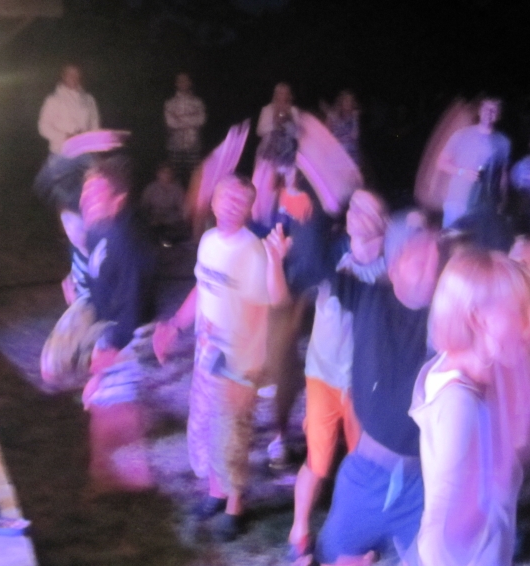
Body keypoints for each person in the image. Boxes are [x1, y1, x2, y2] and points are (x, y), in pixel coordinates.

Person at [153, 175, 291, 541]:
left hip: (237, 363)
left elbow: (271, 304)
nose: (231, 205)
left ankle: (235, 508)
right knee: (206, 426)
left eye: (241, 201)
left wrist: (244, 361)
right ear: (214, 202)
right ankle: (216, 493)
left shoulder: (252, 251)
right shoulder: (210, 241)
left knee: (232, 435)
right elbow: (202, 288)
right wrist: (175, 326)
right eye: (226, 197)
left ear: (249, 210)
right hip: (207, 355)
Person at [405, 248, 530, 566]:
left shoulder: (469, 369)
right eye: (522, 310)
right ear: (478, 319)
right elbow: (438, 531)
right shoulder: (459, 404)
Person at [314, 216, 437, 566]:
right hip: (366, 478)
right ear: (394, 267)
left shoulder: (444, 318)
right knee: (334, 558)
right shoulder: (369, 299)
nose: (431, 271)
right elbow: (314, 262)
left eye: (436, 261)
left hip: (423, 486)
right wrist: (325, 208)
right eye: (420, 260)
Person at [286, 189, 388, 560]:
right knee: (318, 460)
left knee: (364, 465)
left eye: (366, 207)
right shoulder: (333, 256)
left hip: (365, 384)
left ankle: (360, 537)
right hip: (323, 377)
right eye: (353, 205)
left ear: (383, 223)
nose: (354, 211)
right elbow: (303, 263)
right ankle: (299, 531)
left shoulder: (390, 272)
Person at [73, 155, 157, 493]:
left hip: (127, 336)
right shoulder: (99, 231)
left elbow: (132, 302)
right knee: (101, 402)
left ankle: (127, 482)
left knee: (114, 404)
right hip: (107, 332)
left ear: (118, 200)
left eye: (96, 194)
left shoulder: (127, 242)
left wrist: (110, 349)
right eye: (85, 192)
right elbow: (99, 280)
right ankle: (112, 478)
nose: (86, 200)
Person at [436, 96, 511, 242]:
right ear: (480, 111)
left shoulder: (502, 141)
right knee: (451, 242)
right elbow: (441, 162)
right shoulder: (462, 135)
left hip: (484, 206)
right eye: (486, 108)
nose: (489, 113)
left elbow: (503, 174)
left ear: (499, 115)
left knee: (475, 246)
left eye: (494, 109)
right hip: (458, 200)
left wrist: (502, 200)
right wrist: (462, 172)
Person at [38, 64, 100, 156]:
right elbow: (43, 127)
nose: (73, 77)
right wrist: (65, 137)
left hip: (85, 152)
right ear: (63, 76)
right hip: (60, 152)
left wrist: (94, 147)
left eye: (76, 74)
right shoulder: (53, 99)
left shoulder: (89, 99)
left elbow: (95, 125)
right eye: (69, 74)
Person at [164, 72, 207, 181]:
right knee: (173, 178)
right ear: (176, 83)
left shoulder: (198, 102)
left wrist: (179, 118)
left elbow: (201, 120)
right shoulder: (170, 103)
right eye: (180, 80)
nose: (182, 83)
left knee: (195, 177)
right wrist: (190, 118)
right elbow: (170, 123)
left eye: (185, 80)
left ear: (190, 82)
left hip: (194, 145)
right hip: (175, 145)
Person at [140, 163, 188, 243]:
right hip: (153, 221)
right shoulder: (150, 189)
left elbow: (183, 210)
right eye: (163, 172)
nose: (166, 175)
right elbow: (143, 207)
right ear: (158, 174)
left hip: (172, 222)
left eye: (168, 172)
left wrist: (169, 220)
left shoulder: (177, 189)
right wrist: (150, 218)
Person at [325, 90, 361, 163]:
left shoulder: (353, 118)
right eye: (346, 101)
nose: (349, 103)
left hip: (351, 155)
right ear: (341, 102)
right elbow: (325, 134)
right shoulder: (332, 116)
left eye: (351, 101)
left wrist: (355, 120)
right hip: (336, 153)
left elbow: (355, 136)